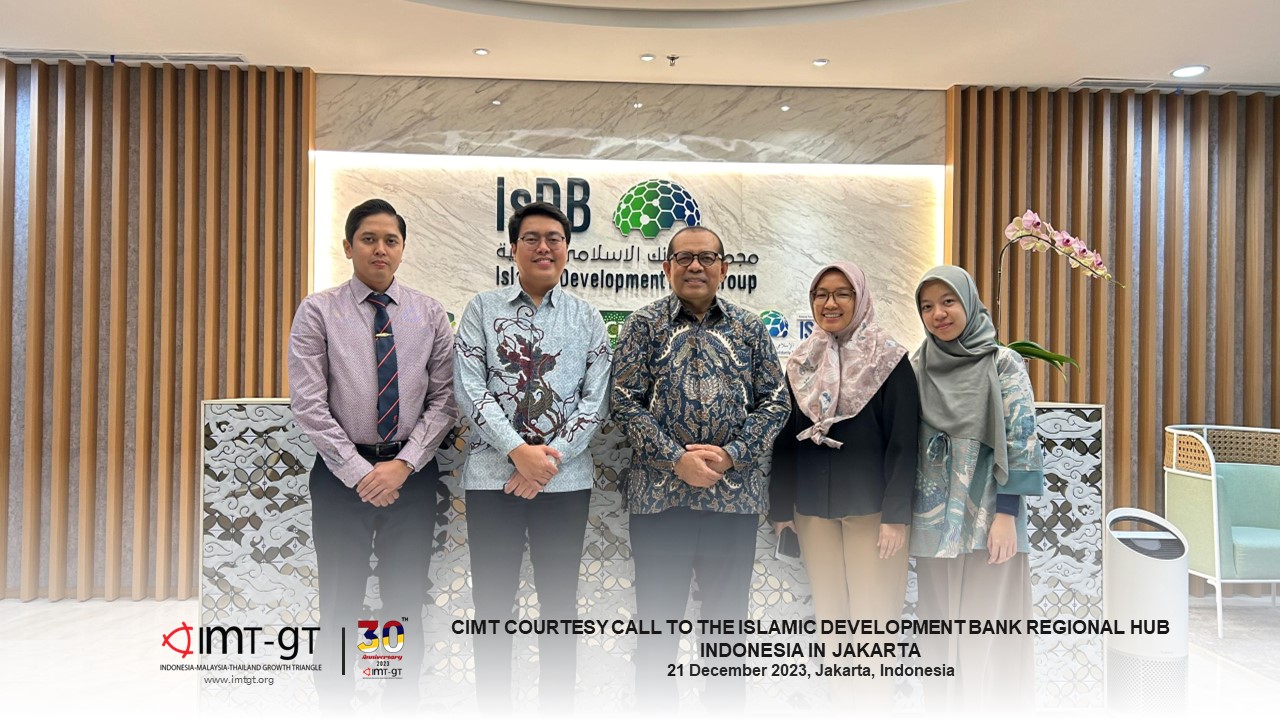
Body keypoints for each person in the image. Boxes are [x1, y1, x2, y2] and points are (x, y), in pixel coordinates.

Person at [611, 225, 791, 713]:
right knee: (657, 630)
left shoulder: (749, 328)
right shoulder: (643, 326)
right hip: (659, 501)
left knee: (727, 633)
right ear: (666, 267)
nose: (695, 266)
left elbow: (776, 401)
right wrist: (677, 460)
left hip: (732, 501)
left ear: (724, 268)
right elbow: (623, 401)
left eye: (707, 257)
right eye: (684, 258)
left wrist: (732, 453)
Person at [288, 198, 458, 713]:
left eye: (390, 240)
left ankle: (398, 702)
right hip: (341, 478)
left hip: (411, 477)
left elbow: (445, 399)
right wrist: (362, 472)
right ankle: (336, 703)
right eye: (368, 239)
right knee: (340, 600)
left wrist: (402, 465)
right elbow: (309, 402)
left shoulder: (430, 313)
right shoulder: (318, 311)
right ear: (348, 247)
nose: (380, 249)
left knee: (404, 601)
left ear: (402, 249)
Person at [453, 201, 611, 713]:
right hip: (491, 479)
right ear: (513, 248)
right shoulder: (482, 309)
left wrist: (547, 461)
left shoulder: (588, 317)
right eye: (531, 238)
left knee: (560, 604)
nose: (544, 247)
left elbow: (596, 401)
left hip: (564, 484)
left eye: (554, 239)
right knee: (492, 605)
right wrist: (518, 452)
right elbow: (470, 390)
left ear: (567, 249)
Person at [769, 261, 919, 708]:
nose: (829, 303)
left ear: (860, 298)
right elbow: (785, 439)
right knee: (832, 623)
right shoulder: (802, 361)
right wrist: (781, 509)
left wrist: (896, 516)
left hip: (873, 512)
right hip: (813, 510)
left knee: (873, 623)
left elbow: (904, 442)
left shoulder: (889, 360)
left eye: (841, 293)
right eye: (821, 294)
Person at [908, 265, 1045, 710]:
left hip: (991, 517)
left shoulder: (1001, 362)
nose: (938, 314)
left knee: (988, 632)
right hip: (932, 521)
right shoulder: (917, 366)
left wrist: (1007, 515)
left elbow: (1022, 438)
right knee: (939, 633)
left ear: (969, 302)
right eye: (928, 306)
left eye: (948, 301)